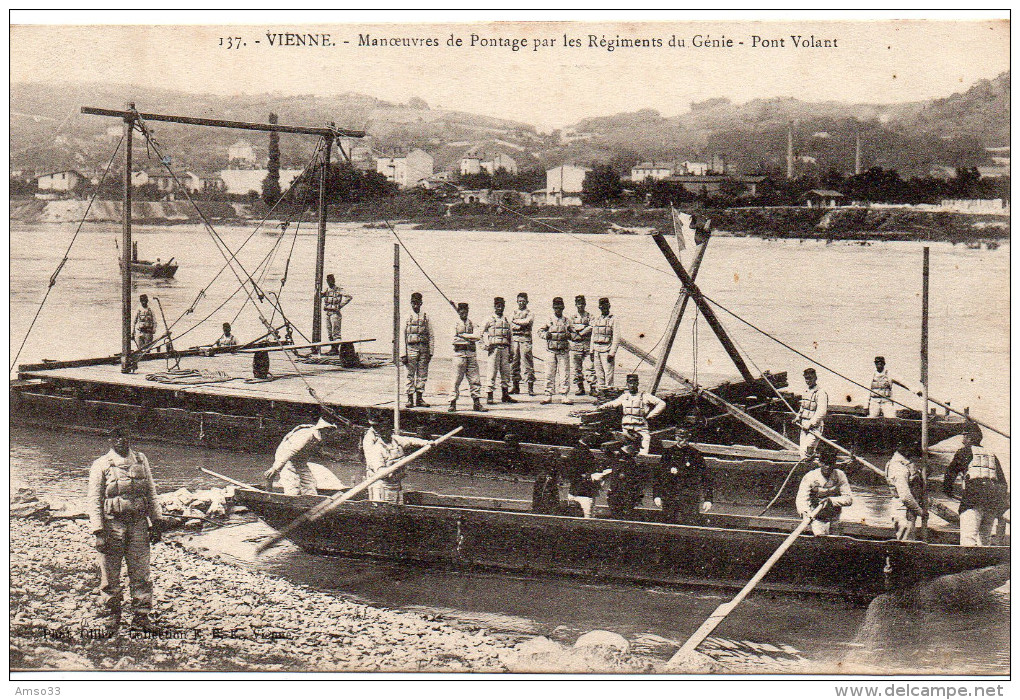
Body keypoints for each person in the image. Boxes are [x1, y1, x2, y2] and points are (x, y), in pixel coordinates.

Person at [87, 426, 166, 632]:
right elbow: (94, 501)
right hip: (112, 525)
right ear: (110, 440)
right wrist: (98, 532)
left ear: (131, 438)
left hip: (139, 524)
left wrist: (156, 523)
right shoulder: (101, 464)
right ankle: (112, 615)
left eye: (125, 436)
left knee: (141, 572)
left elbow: (151, 492)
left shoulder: (141, 460)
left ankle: (141, 616)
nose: (121, 440)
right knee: (110, 573)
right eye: (117, 436)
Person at [943, 424, 1009, 547]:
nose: (962, 439)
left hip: (972, 500)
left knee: (969, 538)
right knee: (985, 539)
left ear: (969, 437)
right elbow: (1003, 482)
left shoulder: (964, 452)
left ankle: (968, 564)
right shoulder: (992, 455)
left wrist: (947, 490)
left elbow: (950, 472)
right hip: (992, 502)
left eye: (964, 436)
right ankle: (985, 564)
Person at [654, 418, 713, 525]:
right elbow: (659, 476)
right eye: (679, 437)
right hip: (670, 496)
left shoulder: (696, 455)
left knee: (689, 523)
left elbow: (706, 478)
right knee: (668, 523)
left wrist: (708, 499)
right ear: (675, 437)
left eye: (685, 437)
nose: (682, 440)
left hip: (689, 497)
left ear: (689, 437)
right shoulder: (668, 453)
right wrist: (656, 495)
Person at [361, 416, 430, 504]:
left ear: (391, 432)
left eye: (387, 432)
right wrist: (390, 471)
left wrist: (427, 443)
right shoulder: (377, 449)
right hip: (382, 485)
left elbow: (411, 440)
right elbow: (379, 470)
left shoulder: (396, 440)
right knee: (383, 507)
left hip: (396, 483)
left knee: (398, 504)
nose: (385, 434)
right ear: (380, 434)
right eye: (382, 432)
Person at [264, 418, 338, 496]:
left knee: (309, 484)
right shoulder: (307, 434)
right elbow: (290, 451)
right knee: (292, 485)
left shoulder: (320, 437)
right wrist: (275, 468)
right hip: (286, 458)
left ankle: (310, 500)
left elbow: (317, 451)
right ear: (323, 428)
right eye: (329, 430)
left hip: (300, 460)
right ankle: (290, 501)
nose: (330, 433)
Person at [599, 373, 667, 455]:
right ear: (627, 384)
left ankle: (642, 459)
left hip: (640, 427)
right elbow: (613, 403)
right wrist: (602, 406)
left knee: (645, 442)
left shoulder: (644, 396)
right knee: (625, 446)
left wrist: (651, 415)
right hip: (626, 427)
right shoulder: (625, 396)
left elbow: (662, 403)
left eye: (634, 383)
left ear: (637, 384)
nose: (632, 385)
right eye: (630, 383)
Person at [795, 446, 853, 536]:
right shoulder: (810, 476)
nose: (828, 467)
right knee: (820, 539)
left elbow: (848, 499)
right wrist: (805, 513)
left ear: (834, 464)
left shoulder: (840, 475)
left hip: (835, 518)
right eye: (825, 464)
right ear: (820, 463)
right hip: (816, 519)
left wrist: (831, 500)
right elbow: (801, 499)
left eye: (831, 464)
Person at [449, 302, 487, 413]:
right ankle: (452, 403)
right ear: (458, 312)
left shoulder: (472, 323)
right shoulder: (454, 324)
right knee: (456, 380)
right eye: (461, 311)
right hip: (459, 355)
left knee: (475, 379)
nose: (463, 313)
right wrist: (469, 340)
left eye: (465, 311)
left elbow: (478, 336)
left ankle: (476, 403)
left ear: (467, 311)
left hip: (471, 355)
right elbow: (453, 340)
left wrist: (463, 336)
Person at [885, 440, 925, 541]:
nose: (912, 450)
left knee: (904, 541)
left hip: (904, 510)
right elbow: (905, 497)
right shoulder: (899, 468)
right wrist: (921, 512)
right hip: (904, 511)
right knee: (905, 544)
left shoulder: (900, 464)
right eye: (910, 447)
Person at [562, 435, 609, 518]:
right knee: (587, 513)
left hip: (575, 488)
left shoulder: (576, 450)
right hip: (585, 488)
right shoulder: (583, 452)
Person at [480, 296, 517, 405]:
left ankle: (505, 395)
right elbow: (479, 334)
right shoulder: (489, 319)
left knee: (506, 373)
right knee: (491, 373)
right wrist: (485, 347)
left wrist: (511, 352)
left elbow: (511, 338)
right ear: (494, 306)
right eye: (498, 306)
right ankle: (490, 396)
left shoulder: (507, 320)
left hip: (505, 349)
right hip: (494, 349)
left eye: (502, 306)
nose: (500, 308)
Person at [539, 297, 573, 405]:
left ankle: (564, 395)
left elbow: (575, 334)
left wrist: (570, 335)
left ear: (563, 307)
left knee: (564, 374)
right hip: (551, 351)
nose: (558, 309)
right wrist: (545, 335)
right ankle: (548, 395)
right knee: (549, 374)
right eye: (556, 307)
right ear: (553, 308)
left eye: (560, 307)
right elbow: (539, 331)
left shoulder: (567, 321)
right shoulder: (548, 320)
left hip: (563, 351)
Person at [404, 291, 434, 408]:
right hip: (411, 348)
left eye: (418, 303)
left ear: (421, 303)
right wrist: (403, 353)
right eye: (413, 303)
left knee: (422, 374)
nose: (416, 306)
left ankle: (419, 398)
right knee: (409, 374)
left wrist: (431, 351)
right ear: (411, 303)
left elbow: (431, 335)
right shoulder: (407, 317)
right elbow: (402, 336)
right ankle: (410, 398)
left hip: (423, 349)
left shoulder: (426, 317)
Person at [605, 439, 644, 519]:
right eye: (636, 448)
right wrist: (622, 442)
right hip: (618, 494)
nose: (638, 451)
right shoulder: (618, 456)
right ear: (630, 447)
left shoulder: (631, 460)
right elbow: (605, 447)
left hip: (627, 495)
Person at [795, 368, 828, 458]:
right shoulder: (805, 392)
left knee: (807, 450)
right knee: (802, 451)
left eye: (810, 378)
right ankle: (810, 465)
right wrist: (798, 417)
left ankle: (813, 465)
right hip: (804, 425)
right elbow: (803, 407)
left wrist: (810, 423)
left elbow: (822, 412)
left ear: (815, 378)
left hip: (814, 427)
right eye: (806, 378)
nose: (808, 381)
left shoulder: (821, 393)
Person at [568, 295, 596, 398]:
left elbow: (592, 327)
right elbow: (571, 328)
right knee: (577, 369)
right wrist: (584, 327)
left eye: (582, 303)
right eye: (578, 303)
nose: (581, 306)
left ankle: (593, 387)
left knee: (589, 367)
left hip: (587, 345)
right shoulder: (572, 317)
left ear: (585, 304)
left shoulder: (590, 316)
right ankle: (580, 388)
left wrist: (582, 332)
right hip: (576, 346)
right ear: (576, 304)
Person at [591, 297, 620, 396]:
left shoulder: (613, 319)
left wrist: (612, 353)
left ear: (609, 306)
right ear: (599, 307)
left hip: (607, 350)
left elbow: (616, 337)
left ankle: (609, 396)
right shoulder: (596, 319)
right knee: (599, 375)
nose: (604, 308)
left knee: (608, 375)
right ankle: (601, 397)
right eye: (601, 306)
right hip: (596, 350)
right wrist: (591, 351)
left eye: (605, 305)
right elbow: (593, 336)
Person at [510, 292, 535, 396]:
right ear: (517, 302)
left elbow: (527, 322)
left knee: (528, 363)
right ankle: (516, 387)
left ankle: (530, 387)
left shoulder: (530, 313)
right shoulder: (513, 312)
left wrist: (517, 322)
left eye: (523, 301)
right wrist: (520, 324)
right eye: (519, 301)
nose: (521, 303)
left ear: (527, 302)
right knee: (514, 362)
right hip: (515, 339)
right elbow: (511, 325)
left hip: (525, 339)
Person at [321, 273, 352, 355]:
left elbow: (349, 296)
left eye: (331, 280)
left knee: (336, 332)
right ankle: (333, 348)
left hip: (335, 313)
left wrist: (340, 306)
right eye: (328, 280)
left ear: (333, 280)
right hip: (328, 313)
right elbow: (320, 296)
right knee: (329, 332)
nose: (330, 282)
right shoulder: (326, 290)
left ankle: (336, 349)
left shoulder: (338, 290)